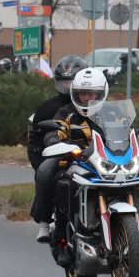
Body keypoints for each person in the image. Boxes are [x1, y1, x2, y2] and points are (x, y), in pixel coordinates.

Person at [35, 67, 107, 266]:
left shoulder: (111, 113)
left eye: (91, 93)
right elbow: (55, 130)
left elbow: (129, 131)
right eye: (83, 93)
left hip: (106, 167)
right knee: (64, 186)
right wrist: (54, 142)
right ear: (75, 94)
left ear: (101, 94)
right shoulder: (66, 112)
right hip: (75, 165)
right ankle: (61, 242)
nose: (86, 98)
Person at [28, 55, 87, 241]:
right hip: (59, 155)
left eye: (72, 83)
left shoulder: (94, 102)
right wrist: (42, 160)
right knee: (45, 173)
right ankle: (45, 223)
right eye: (64, 83)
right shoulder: (48, 108)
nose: (68, 87)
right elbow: (36, 140)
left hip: (93, 154)